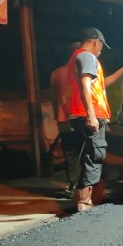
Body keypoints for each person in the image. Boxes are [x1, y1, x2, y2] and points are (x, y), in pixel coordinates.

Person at [67, 27, 123, 212]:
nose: (101, 50)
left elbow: (100, 84)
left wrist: (122, 70)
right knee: (94, 156)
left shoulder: (77, 57)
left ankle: (90, 197)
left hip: (81, 113)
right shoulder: (88, 57)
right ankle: (84, 202)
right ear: (95, 42)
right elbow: (85, 84)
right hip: (89, 115)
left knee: (88, 155)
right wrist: (91, 116)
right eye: (101, 46)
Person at [49, 42, 81, 196]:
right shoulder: (83, 72)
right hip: (82, 118)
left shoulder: (55, 74)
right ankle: (87, 186)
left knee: (70, 153)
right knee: (86, 151)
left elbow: (54, 99)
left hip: (64, 120)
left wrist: (59, 115)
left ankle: (73, 185)